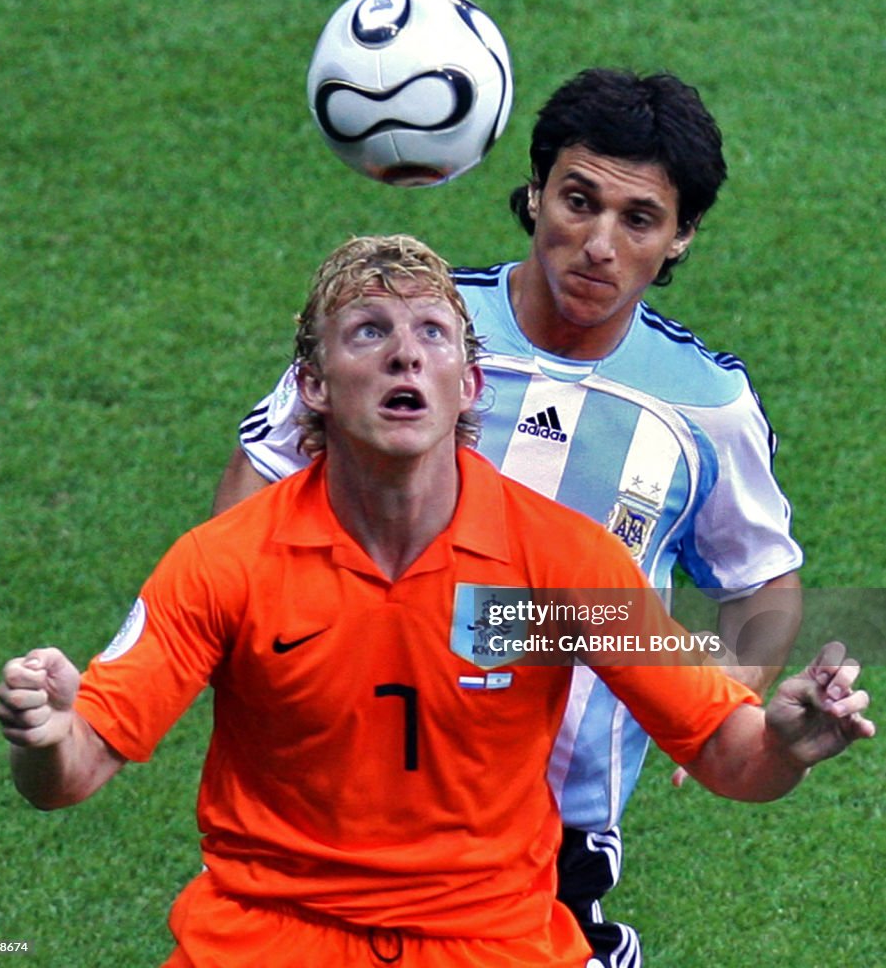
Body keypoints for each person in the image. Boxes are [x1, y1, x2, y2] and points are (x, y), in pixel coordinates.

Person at [0, 234, 872, 968]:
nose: (404, 353)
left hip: (488, 941)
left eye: (432, 333)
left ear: (471, 385)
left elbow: (727, 751)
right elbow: (73, 771)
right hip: (268, 940)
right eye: (368, 332)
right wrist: (45, 737)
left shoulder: (561, 566)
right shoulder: (223, 563)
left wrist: (788, 743)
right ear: (311, 384)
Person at [211, 69, 805, 965]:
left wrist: (726, 701)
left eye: (637, 220)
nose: (596, 244)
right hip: (344, 773)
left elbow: (761, 579)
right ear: (534, 194)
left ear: (678, 239)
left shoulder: (705, 407)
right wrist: (251, 646)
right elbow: (261, 476)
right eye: (577, 200)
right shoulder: (414, 327)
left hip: (557, 813)